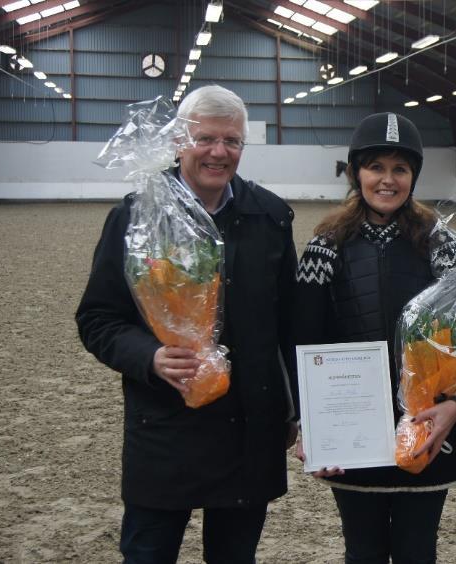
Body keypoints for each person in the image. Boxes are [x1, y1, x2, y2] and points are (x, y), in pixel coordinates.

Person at [76, 85, 299, 563]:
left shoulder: (271, 216)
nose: (219, 152)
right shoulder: (136, 216)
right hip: (165, 425)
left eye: (233, 141)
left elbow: (289, 324)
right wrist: (149, 356)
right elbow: (97, 317)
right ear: (180, 142)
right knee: (149, 554)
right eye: (206, 139)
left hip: (247, 429)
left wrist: (297, 410)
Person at [294, 112, 456, 564]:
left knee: (418, 551)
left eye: (400, 169)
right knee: (363, 551)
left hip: (425, 429)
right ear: (357, 172)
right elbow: (302, 337)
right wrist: (309, 424)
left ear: (413, 175)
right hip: (351, 434)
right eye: (376, 167)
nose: (387, 180)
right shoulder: (325, 246)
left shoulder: (442, 246)